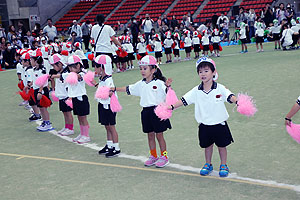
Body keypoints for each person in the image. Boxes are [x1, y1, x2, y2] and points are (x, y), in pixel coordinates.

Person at [167, 57, 237, 177]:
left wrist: (238, 101)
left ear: (213, 72)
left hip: (220, 124)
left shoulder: (220, 88)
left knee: (222, 146)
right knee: (207, 146)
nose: (203, 74)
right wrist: (171, 107)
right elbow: (184, 100)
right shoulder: (196, 91)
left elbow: (230, 96)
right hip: (204, 125)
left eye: (206, 71)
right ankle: (208, 164)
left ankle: (223, 165)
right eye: (200, 72)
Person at [113, 55, 172, 168]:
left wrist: (168, 87)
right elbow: (128, 88)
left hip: (158, 112)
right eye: (141, 68)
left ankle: (164, 156)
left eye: (145, 68)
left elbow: (169, 95)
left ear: (153, 69)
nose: (142, 71)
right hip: (145, 112)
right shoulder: (141, 84)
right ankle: (153, 155)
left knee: (159, 135)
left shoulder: (159, 83)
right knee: (150, 135)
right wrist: (115, 89)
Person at [93, 55, 121, 157]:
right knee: (106, 126)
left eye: (96, 66)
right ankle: (109, 145)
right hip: (102, 104)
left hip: (109, 105)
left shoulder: (108, 79)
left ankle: (116, 147)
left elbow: (110, 92)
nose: (95, 69)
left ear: (101, 67)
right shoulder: (102, 78)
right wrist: (96, 85)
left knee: (111, 127)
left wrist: (103, 92)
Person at [62, 55, 91, 144]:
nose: (70, 69)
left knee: (83, 118)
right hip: (75, 98)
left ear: (78, 65)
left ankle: (86, 135)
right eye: (69, 67)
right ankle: (82, 134)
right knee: (79, 117)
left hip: (81, 98)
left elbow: (78, 76)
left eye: (71, 67)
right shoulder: (71, 74)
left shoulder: (82, 73)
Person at [49, 54, 74, 136]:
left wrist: (70, 97)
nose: (53, 68)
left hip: (66, 96)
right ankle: (66, 127)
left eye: (54, 65)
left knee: (68, 113)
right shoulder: (60, 72)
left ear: (60, 64)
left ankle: (70, 128)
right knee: (64, 112)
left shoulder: (66, 73)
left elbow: (68, 86)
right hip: (61, 95)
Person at [29, 50, 54, 131]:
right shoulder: (34, 69)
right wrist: (30, 84)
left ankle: (47, 123)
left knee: (43, 108)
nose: (30, 61)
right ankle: (44, 121)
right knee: (40, 108)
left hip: (41, 91)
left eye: (31, 60)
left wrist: (40, 91)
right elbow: (35, 79)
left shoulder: (42, 70)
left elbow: (42, 82)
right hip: (37, 90)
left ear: (36, 61)